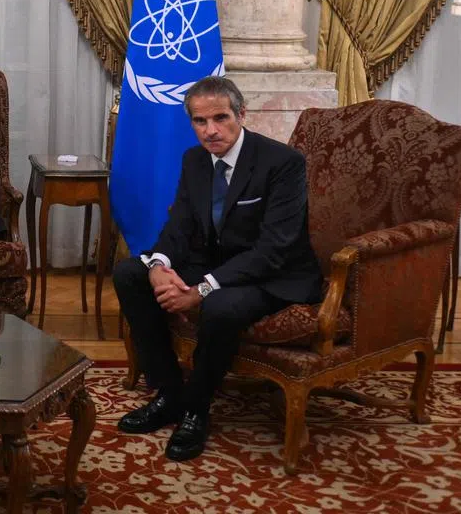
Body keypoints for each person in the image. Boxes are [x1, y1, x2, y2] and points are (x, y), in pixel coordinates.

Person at [112, 75, 321, 461]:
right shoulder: (194, 159)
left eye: (220, 118)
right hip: (216, 263)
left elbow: (274, 249)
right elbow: (180, 225)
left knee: (220, 305)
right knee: (129, 274)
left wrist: (201, 289)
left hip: (272, 273)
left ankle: (196, 409)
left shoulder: (282, 162)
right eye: (200, 121)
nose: (210, 130)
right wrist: (158, 264)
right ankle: (170, 393)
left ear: (241, 114)